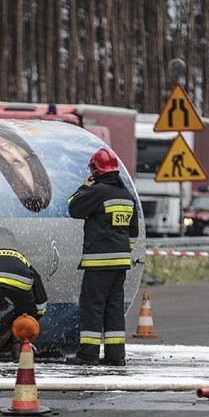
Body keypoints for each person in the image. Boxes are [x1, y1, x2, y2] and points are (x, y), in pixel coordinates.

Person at [65, 148, 139, 366]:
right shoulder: (126, 195)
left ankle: (88, 355)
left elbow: (74, 208)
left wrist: (83, 187)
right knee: (114, 308)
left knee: (92, 306)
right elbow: (133, 232)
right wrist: (122, 252)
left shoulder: (98, 191)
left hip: (99, 262)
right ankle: (116, 356)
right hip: (120, 263)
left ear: (96, 170)